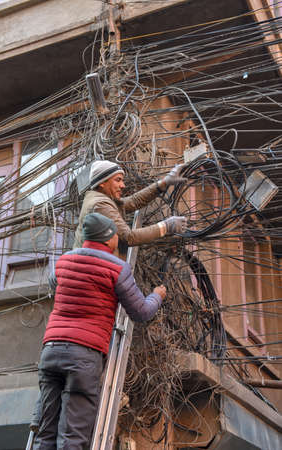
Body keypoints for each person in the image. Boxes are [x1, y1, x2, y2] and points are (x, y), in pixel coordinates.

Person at [33, 212, 166, 449]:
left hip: (50, 351)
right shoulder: (117, 268)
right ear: (108, 238)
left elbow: (54, 283)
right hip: (83, 356)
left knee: (45, 434)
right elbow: (141, 313)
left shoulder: (64, 261)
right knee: (73, 437)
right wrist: (157, 296)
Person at [73, 160, 188, 256]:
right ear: (102, 183)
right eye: (118, 180)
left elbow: (134, 201)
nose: (123, 185)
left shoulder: (103, 199)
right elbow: (129, 237)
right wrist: (166, 226)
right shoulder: (100, 205)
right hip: (94, 273)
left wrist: (164, 182)